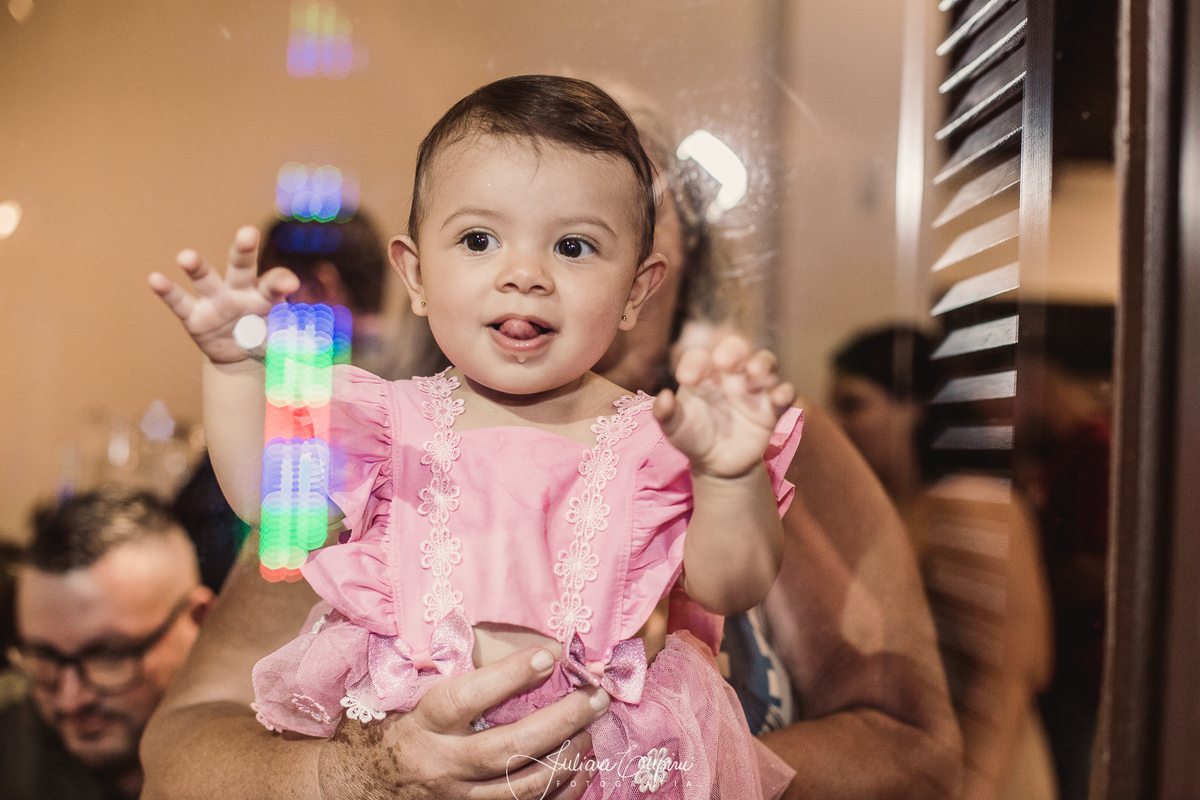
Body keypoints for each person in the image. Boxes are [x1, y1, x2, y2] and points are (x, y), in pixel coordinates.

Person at [140, 84, 962, 800]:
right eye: (479, 240)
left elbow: (731, 582)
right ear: (416, 275)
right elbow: (267, 501)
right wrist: (234, 368)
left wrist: (727, 474)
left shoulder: (656, 439)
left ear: (639, 288)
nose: (524, 273)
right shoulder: (389, 423)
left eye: (573, 247)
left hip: (612, 767)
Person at [830, 325, 1056, 800]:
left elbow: (1011, 674)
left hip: (983, 770)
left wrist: (975, 788)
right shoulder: (911, 505)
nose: (840, 424)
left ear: (913, 407)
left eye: (854, 405)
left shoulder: (967, 502)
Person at [1, 488, 215, 800]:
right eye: (44, 657)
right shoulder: (9, 731)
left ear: (200, 621)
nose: (70, 701)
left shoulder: (266, 750)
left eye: (109, 656)